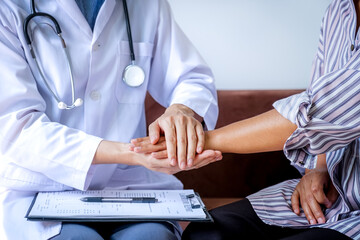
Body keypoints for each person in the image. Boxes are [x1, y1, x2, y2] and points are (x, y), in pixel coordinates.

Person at [132, 0, 360, 239]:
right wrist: (317, 168)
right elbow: (320, 87)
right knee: (205, 235)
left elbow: (320, 111)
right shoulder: (338, 10)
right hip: (328, 192)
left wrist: (198, 141)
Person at [0, 0, 222, 239]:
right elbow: (15, 125)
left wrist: (182, 110)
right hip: (45, 185)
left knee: (152, 237)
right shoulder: (8, 8)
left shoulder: (146, 5)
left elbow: (191, 77)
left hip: (134, 186)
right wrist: (132, 153)